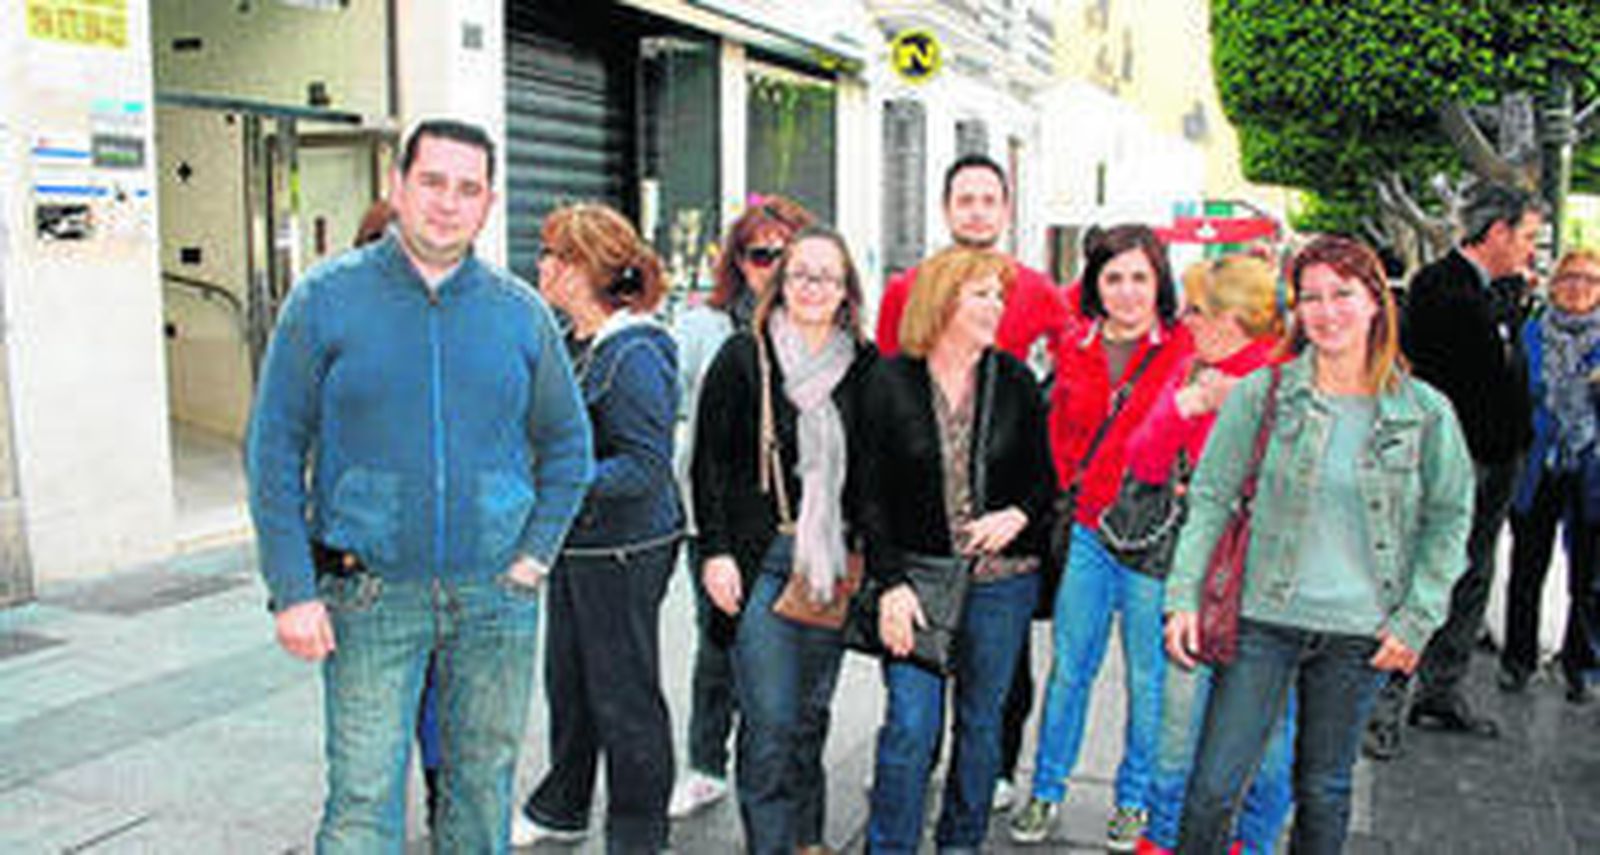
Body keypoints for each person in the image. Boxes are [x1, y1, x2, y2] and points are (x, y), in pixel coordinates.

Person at [246, 119, 594, 853]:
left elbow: (568, 443)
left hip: (495, 598)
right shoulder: (325, 299)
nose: (447, 201)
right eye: (432, 181)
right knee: (362, 798)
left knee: (481, 789)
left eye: (468, 188)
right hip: (367, 594)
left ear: (489, 203)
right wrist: (292, 587)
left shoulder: (520, 312)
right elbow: (274, 444)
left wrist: (533, 556)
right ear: (398, 186)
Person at [1164, 235, 1474, 854]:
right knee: (1212, 788)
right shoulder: (1265, 393)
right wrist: (1183, 596)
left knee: (1325, 788)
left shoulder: (1425, 411)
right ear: (1295, 308)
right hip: (1261, 619)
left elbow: (1450, 519)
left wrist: (1418, 619)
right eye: (1311, 298)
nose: (1327, 311)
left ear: (1375, 304)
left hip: (1361, 631)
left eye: (1343, 294)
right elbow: (1213, 498)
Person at [875, 153, 1073, 810]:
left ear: (1006, 209)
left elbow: (1075, 364)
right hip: (925, 522)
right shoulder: (910, 288)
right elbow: (884, 384)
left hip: (1003, 519)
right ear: (947, 208)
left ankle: (993, 771)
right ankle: (916, 765)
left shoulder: (1039, 290)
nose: (978, 210)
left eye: (990, 199)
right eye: (966, 199)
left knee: (998, 682)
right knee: (917, 691)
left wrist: (1032, 493)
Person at [861, 245, 1057, 854]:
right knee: (910, 729)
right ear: (944, 301)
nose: (996, 305)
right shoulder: (889, 380)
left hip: (1004, 581)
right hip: (916, 579)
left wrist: (1017, 514)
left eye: (999, 294)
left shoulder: (1015, 380)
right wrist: (890, 583)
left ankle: (960, 844)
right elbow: (867, 496)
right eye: (982, 294)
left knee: (980, 726)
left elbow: (1044, 478)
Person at [691, 226, 875, 854]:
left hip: (830, 567)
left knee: (808, 720)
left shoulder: (866, 367)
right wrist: (715, 550)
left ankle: (807, 839)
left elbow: (881, 475)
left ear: (847, 290)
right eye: (801, 274)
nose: (813, 288)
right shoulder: (745, 358)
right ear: (780, 284)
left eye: (828, 276)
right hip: (760, 561)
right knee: (769, 722)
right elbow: (708, 464)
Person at [1011, 224, 1192, 851]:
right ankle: (1047, 790)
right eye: (1113, 277)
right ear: (1095, 283)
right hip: (1088, 531)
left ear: (1159, 281)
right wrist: (1072, 490)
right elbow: (1059, 432)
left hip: (1153, 541)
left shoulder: (1187, 346)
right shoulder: (1074, 344)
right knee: (1071, 669)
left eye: (1140, 276)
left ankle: (1134, 801)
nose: (1127, 290)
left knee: (1148, 679)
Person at [511, 203, 683, 853]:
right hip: (579, 544)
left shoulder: (635, 351)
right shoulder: (578, 340)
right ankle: (563, 805)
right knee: (571, 682)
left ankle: (640, 832)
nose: (543, 266)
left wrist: (558, 475)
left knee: (623, 692)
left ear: (585, 268)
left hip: (625, 548)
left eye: (554, 255)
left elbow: (644, 466)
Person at [1370, 183, 1544, 752]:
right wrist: (1508, 305)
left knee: (1474, 577)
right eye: (1526, 236)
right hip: (1452, 461)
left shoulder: (1502, 293)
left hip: (1501, 457)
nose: (1530, 250)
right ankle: (1384, 703)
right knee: (1428, 576)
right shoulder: (1441, 286)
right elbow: (1458, 366)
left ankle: (1441, 691)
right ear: (1496, 232)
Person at [1133, 256, 1294, 855]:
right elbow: (1143, 461)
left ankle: (1250, 843)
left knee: (1272, 739)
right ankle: (1164, 838)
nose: (1185, 319)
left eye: (1196, 310)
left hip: (1274, 585)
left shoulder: (1289, 378)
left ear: (1230, 318)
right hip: (1197, 578)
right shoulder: (1191, 368)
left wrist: (1241, 406)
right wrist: (1187, 408)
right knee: (1178, 727)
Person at [669, 195, 815, 820]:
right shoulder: (705, 328)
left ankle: (780, 770)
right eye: (760, 255)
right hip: (718, 520)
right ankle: (706, 764)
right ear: (738, 262)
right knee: (719, 642)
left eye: (785, 254)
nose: (773, 266)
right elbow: (678, 415)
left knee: (791, 657)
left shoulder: (818, 328)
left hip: (793, 525)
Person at [1500, 247, 1600, 704]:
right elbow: (1513, 393)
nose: (1578, 287)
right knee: (1528, 566)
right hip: (1538, 465)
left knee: (1589, 576)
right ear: (1554, 284)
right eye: (1570, 277)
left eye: (1590, 280)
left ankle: (1581, 664)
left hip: (1591, 467)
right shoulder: (1532, 332)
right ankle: (1517, 660)